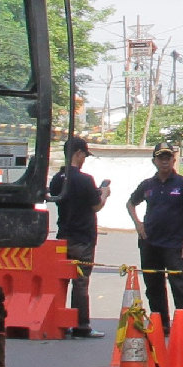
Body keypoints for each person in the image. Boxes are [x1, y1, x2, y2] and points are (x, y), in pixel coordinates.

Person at [126, 144, 183, 338]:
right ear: (154, 161)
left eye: (168, 157)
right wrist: (138, 224)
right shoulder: (147, 185)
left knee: (179, 285)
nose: (165, 160)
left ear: (174, 159)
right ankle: (161, 324)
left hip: (174, 244)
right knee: (153, 286)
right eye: (161, 157)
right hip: (150, 243)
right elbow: (130, 203)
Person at [46, 137, 104, 336]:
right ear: (79, 153)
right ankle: (81, 325)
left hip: (63, 236)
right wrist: (104, 194)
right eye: (84, 155)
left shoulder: (57, 179)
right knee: (80, 282)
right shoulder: (85, 180)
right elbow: (96, 205)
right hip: (82, 239)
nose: (84, 159)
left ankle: (59, 322)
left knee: (60, 281)